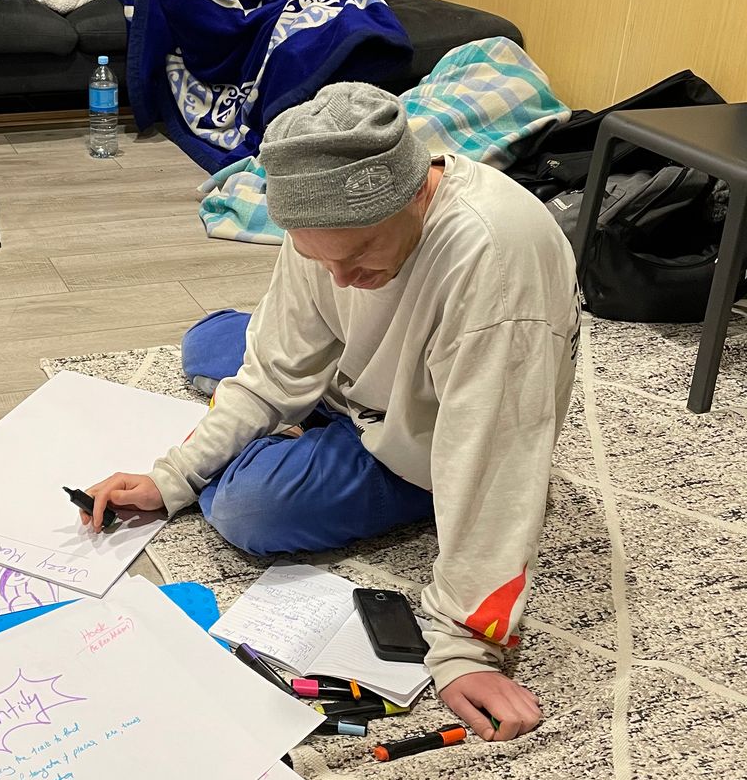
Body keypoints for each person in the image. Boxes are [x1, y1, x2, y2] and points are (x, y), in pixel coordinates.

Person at [82, 83, 581, 743]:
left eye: (359, 255)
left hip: (426, 440)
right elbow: (272, 369)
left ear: (414, 194)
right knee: (209, 342)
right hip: (361, 384)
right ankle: (301, 418)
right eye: (319, 258)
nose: (340, 280)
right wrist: (172, 477)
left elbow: (497, 462)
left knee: (245, 509)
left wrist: (466, 646)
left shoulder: (494, 266)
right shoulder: (326, 230)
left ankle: (303, 428)